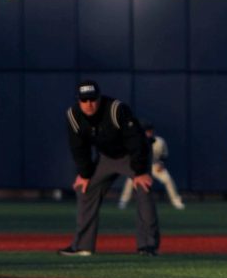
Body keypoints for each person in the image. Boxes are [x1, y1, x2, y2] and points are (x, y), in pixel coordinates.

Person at [58, 80, 160, 256]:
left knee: (143, 189)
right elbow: (78, 147)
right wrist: (85, 174)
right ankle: (83, 247)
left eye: (92, 99)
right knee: (85, 189)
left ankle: (147, 246)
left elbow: (136, 141)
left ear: (99, 98)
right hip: (106, 157)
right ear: (78, 100)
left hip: (132, 155)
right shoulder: (73, 115)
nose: (89, 104)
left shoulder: (116, 109)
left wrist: (140, 171)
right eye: (84, 100)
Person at [118, 125, 185, 210]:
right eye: (146, 131)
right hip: (141, 166)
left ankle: (176, 201)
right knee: (130, 181)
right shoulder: (137, 141)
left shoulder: (160, 141)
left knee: (167, 179)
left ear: (152, 131)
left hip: (155, 165)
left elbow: (164, 155)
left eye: (149, 131)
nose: (148, 133)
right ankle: (123, 201)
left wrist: (161, 163)